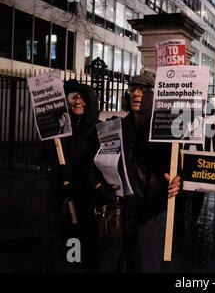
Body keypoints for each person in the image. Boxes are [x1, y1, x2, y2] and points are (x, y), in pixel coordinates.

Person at [98, 69, 181, 272]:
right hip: (119, 214)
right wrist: (101, 187)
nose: (136, 93)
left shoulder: (165, 132)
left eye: (143, 89)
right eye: (133, 88)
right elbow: (97, 166)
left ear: (155, 95)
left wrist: (178, 181)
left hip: (150, 216)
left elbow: (177, 170)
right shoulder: (114, 127)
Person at [40, 79, 101, 272]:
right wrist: (56, 170)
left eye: (82, 98)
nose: (78, 101)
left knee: (85, 251)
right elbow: (43, 162)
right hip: (61, 201)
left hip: (87, 201)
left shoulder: (99, 129)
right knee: (63, 252)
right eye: (73, 97)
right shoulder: (56, 130)